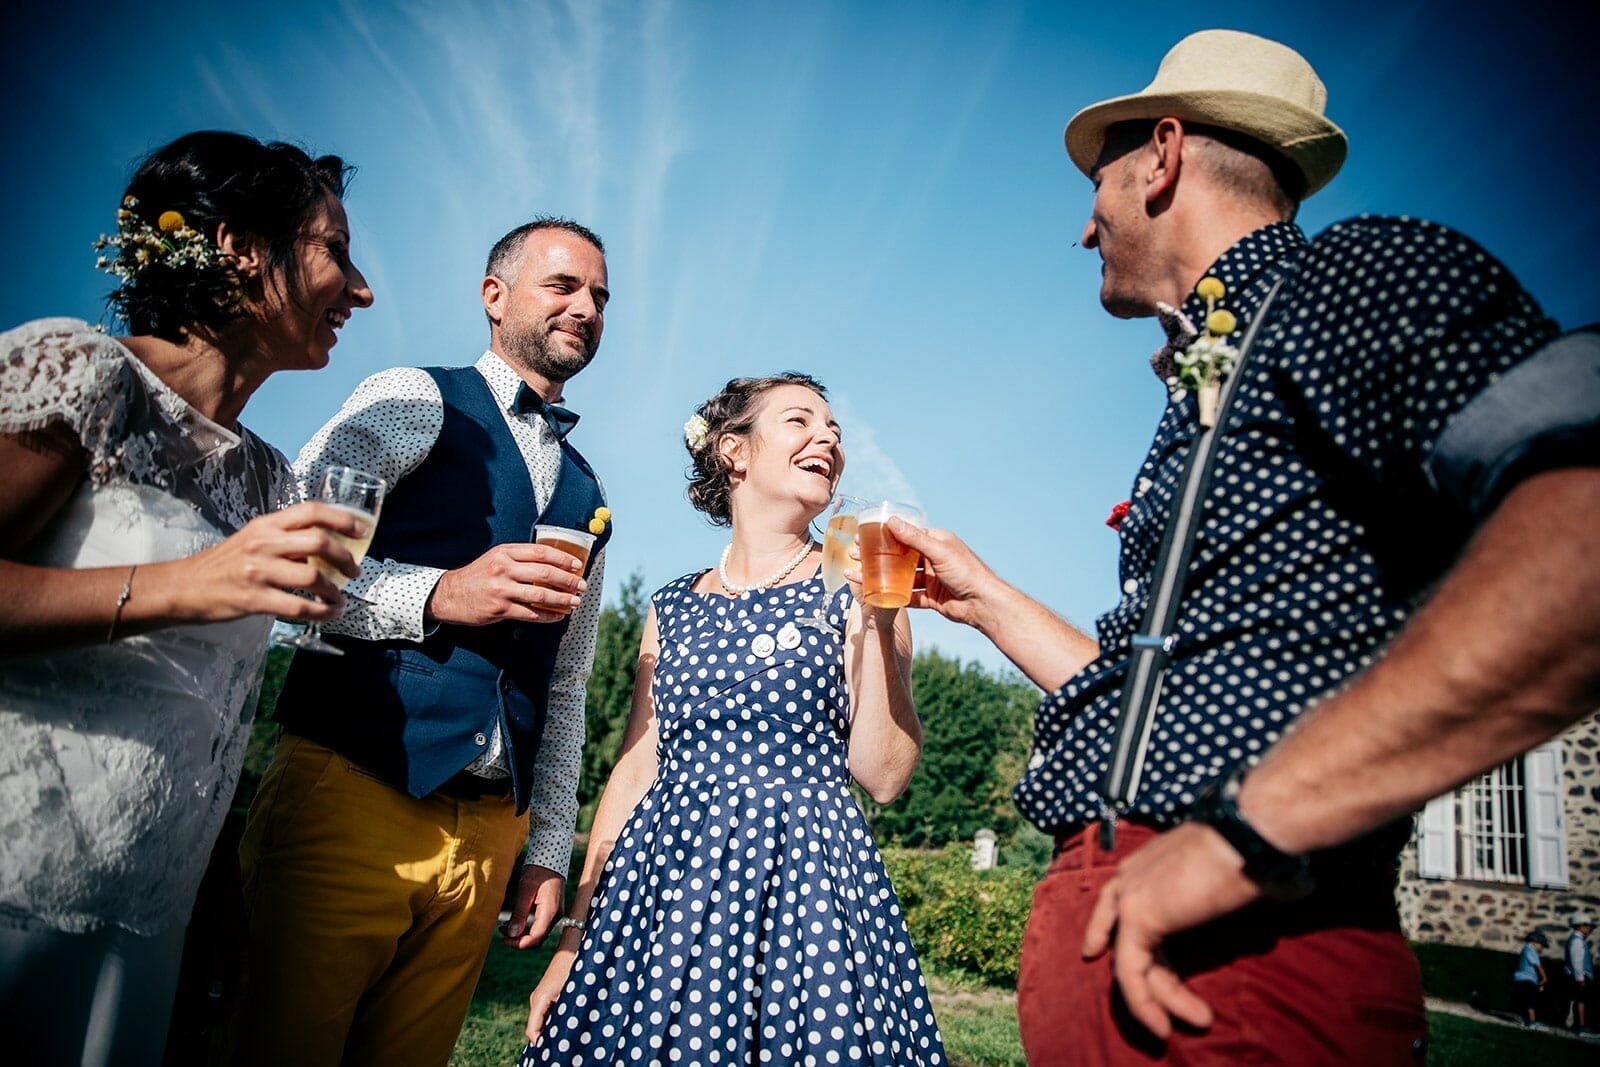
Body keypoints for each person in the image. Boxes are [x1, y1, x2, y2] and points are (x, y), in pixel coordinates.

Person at [882, 28, 1599, 1064]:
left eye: (1097, 186)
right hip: (1130, 940)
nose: (1085, 228)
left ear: (1162, 156)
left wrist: (1248, 832)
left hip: (1244, 961)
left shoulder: (1354, 275)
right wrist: (983, 596)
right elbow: (1166, 696)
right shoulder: (1213, 364)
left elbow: (1579, 521)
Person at [0, 130, 373, 1066]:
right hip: (16, 882)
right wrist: (189, 583)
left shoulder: (270, 478)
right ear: (241, 248)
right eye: (336, 250)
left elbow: (213, 712)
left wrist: (215, 900)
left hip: (148, 916)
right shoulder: (81, 373)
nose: (362, 290)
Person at [229, 218, 613, 1066]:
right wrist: (440, 593)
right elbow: (288, 561)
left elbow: (566, 684)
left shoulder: (589, 492)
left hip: (489, 836)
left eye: (599, 296)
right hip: (353, 787)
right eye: (563, 285)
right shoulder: (413, 397)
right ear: (494, 296)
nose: (586, 307)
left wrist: (548, 849)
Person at [516, 373, 946, 1065]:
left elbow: (885, 776)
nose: (828, 437)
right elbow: (635, 770)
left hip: (805, 893)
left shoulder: (857, 587)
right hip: (663, 888)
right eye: (800, 420)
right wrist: (574, 940)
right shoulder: (671, 605)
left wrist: (879, 619)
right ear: (733, 450)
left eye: (834, 430)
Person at [1513, 931, 1549, 1028]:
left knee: (1525, 1000)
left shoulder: (1527, 949)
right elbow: (1538, 966)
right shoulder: (1530, 949)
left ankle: (1524, 1020)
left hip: (1523, 978)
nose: (1542, 948)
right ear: (1535, 942)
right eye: (1541, 945)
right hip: (1527, 979)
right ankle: (1532, 1022)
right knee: (1530, 1001)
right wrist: (1544, 977)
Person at [1567, 915, 1594, 1031]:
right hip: (1580, 975)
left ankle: (1578, 1025)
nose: (1589, 929)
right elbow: (1577, 961)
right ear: (1581, 926)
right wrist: (1580, 978)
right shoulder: (1577, 941)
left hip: (1580, 975)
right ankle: (1580, 1026)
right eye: (1587, 926)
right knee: (1580, 1000)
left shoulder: (1578, 940)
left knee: (1580, 1000)